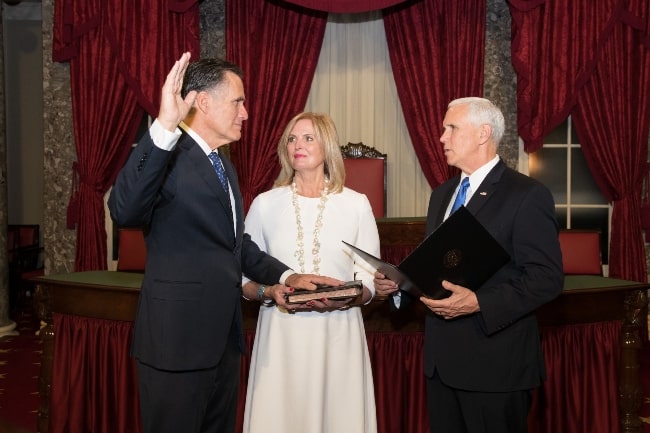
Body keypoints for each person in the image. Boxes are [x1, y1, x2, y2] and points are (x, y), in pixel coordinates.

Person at [108, 54, 339, 433]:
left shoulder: (223, 165)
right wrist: (164, 126)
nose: (245, 113)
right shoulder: (168, 154)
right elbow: (125, 210)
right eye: (238, 102)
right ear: (204, 102)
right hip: (176, 345)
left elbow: (236, 246)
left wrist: (289, 275)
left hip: (223, 345)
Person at [374, 97, 563, 433]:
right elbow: (438, 270)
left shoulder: (526, 194)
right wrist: (399, 287)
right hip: (442, 365)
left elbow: (546, 278)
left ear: (482, 134)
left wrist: (479, 302)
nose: (442, 137)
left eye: (452, 128)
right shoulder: (442, 195)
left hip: (496, 367)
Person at [240, 112, 379, 433]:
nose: (297, 145)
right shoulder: (264, 204)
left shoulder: (357, 205)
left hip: (338, 333)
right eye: (291, 138)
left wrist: (346, 298)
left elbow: (368, 280)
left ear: (327, 146)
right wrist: (268, 292)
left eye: (307, 138)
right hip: (281, 336)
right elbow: (244, 276)